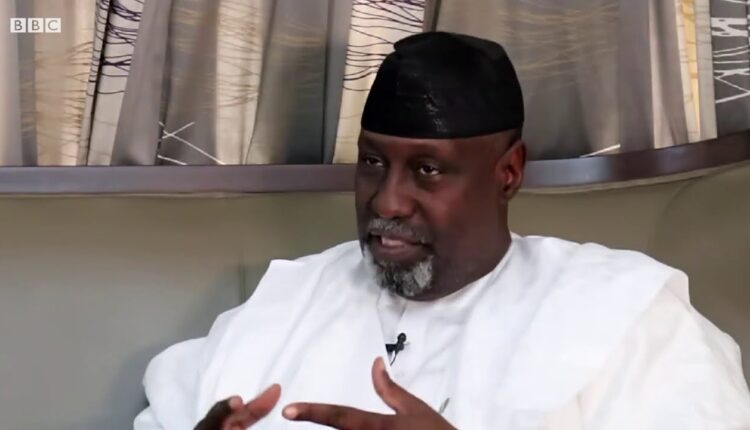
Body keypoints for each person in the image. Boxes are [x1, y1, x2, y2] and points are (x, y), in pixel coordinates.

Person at [134, 32, 750, 430]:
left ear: (508, 173)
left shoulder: (627, 316)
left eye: (427, 170)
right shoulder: (282, 307)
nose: (388, 201)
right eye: (372, 162)